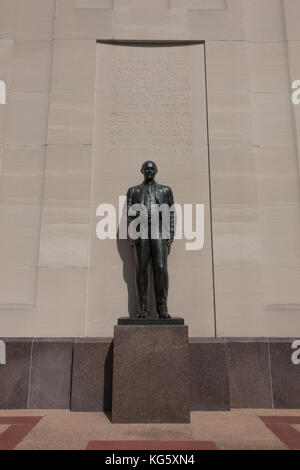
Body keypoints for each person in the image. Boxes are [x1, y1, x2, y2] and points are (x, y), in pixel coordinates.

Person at [126, 161, 175, 319]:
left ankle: (162, 307)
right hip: (141, 233)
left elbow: (171, 212)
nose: (149, 171)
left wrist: (171, 232)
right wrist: (140, 214)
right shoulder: (133, 190)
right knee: (141, 270)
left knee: (160, 268)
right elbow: (129, 210)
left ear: (156, 171)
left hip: (159, 232)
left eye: (151, 169)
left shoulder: (165, 190)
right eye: (146, 169)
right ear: (141, 170)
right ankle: (143, 308)